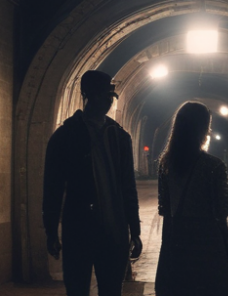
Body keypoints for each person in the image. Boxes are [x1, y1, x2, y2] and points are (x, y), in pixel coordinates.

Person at [43, 70, 143, 296]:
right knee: (77, 288)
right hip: (79, 229)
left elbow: (128, 188)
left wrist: (134, 230)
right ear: (87, 95)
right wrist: (50, 230)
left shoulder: (120, 137)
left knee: (111, 290)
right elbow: (52, 187)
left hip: (113, 230)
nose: (108, 100)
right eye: (103, 95)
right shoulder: (66, 136)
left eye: (110, 95)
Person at [155, 102, 228, 296]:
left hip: (178, 243)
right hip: (208, 244)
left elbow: (165, 208)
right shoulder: (213, 166)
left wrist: (167, 249)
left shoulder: (166, 164)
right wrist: (226, 243)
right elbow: (222, 210)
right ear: (204, 128)